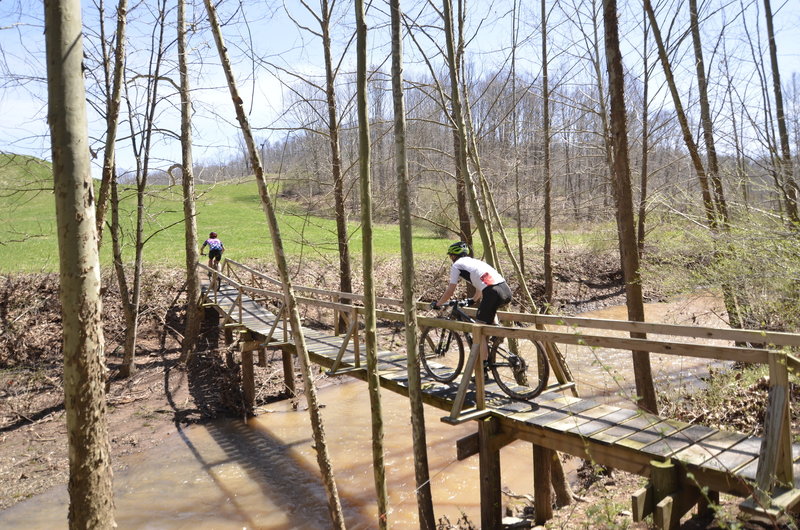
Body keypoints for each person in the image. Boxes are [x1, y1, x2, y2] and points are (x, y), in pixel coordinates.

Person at [430, 241, 512, 324]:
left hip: (492, 293)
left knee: (479, 330)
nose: (450, 258)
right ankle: (496, 333)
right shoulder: (475, 262)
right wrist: (473, 300)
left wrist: (438, 304)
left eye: (450, 256)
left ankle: (488, 335)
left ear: (454, 256)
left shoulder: (456, 265)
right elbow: (482, 283)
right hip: (506, 291)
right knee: (490, 313)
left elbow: (450, 291)